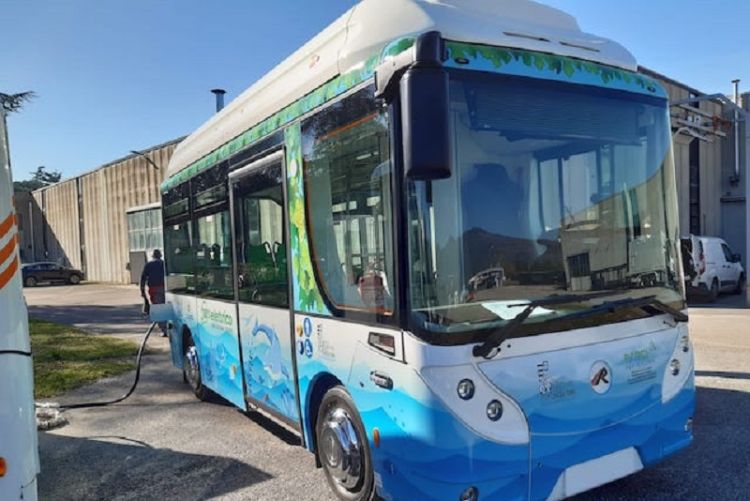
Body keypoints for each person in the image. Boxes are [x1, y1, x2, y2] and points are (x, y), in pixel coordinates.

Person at [140, 249, 167, 336]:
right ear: (160, 256)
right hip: (165, 288)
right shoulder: (164, 264)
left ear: (153, 256)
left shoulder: (149, 265)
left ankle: (164, 329)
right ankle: (167, 327)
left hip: (154, 289)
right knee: (165, 308)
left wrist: (142, 290)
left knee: (158, 309)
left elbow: (143, 278)